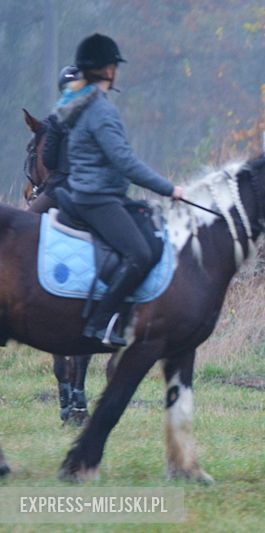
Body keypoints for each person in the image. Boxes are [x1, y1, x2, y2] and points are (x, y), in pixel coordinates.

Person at [57, 33, 184, 347]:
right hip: (97, 198)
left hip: (97, 193)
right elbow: (126, 163)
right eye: (114, 66)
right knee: (139, 253)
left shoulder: (82, 102)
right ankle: (100, 324)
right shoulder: (100, 109)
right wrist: (169, 189)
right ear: (109, 70)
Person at [28, 65, 81, 214]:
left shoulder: (56, 118)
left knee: (26, 220)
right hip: (97, 188)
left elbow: (49, 160)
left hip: (63, 187)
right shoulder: (96, 114)